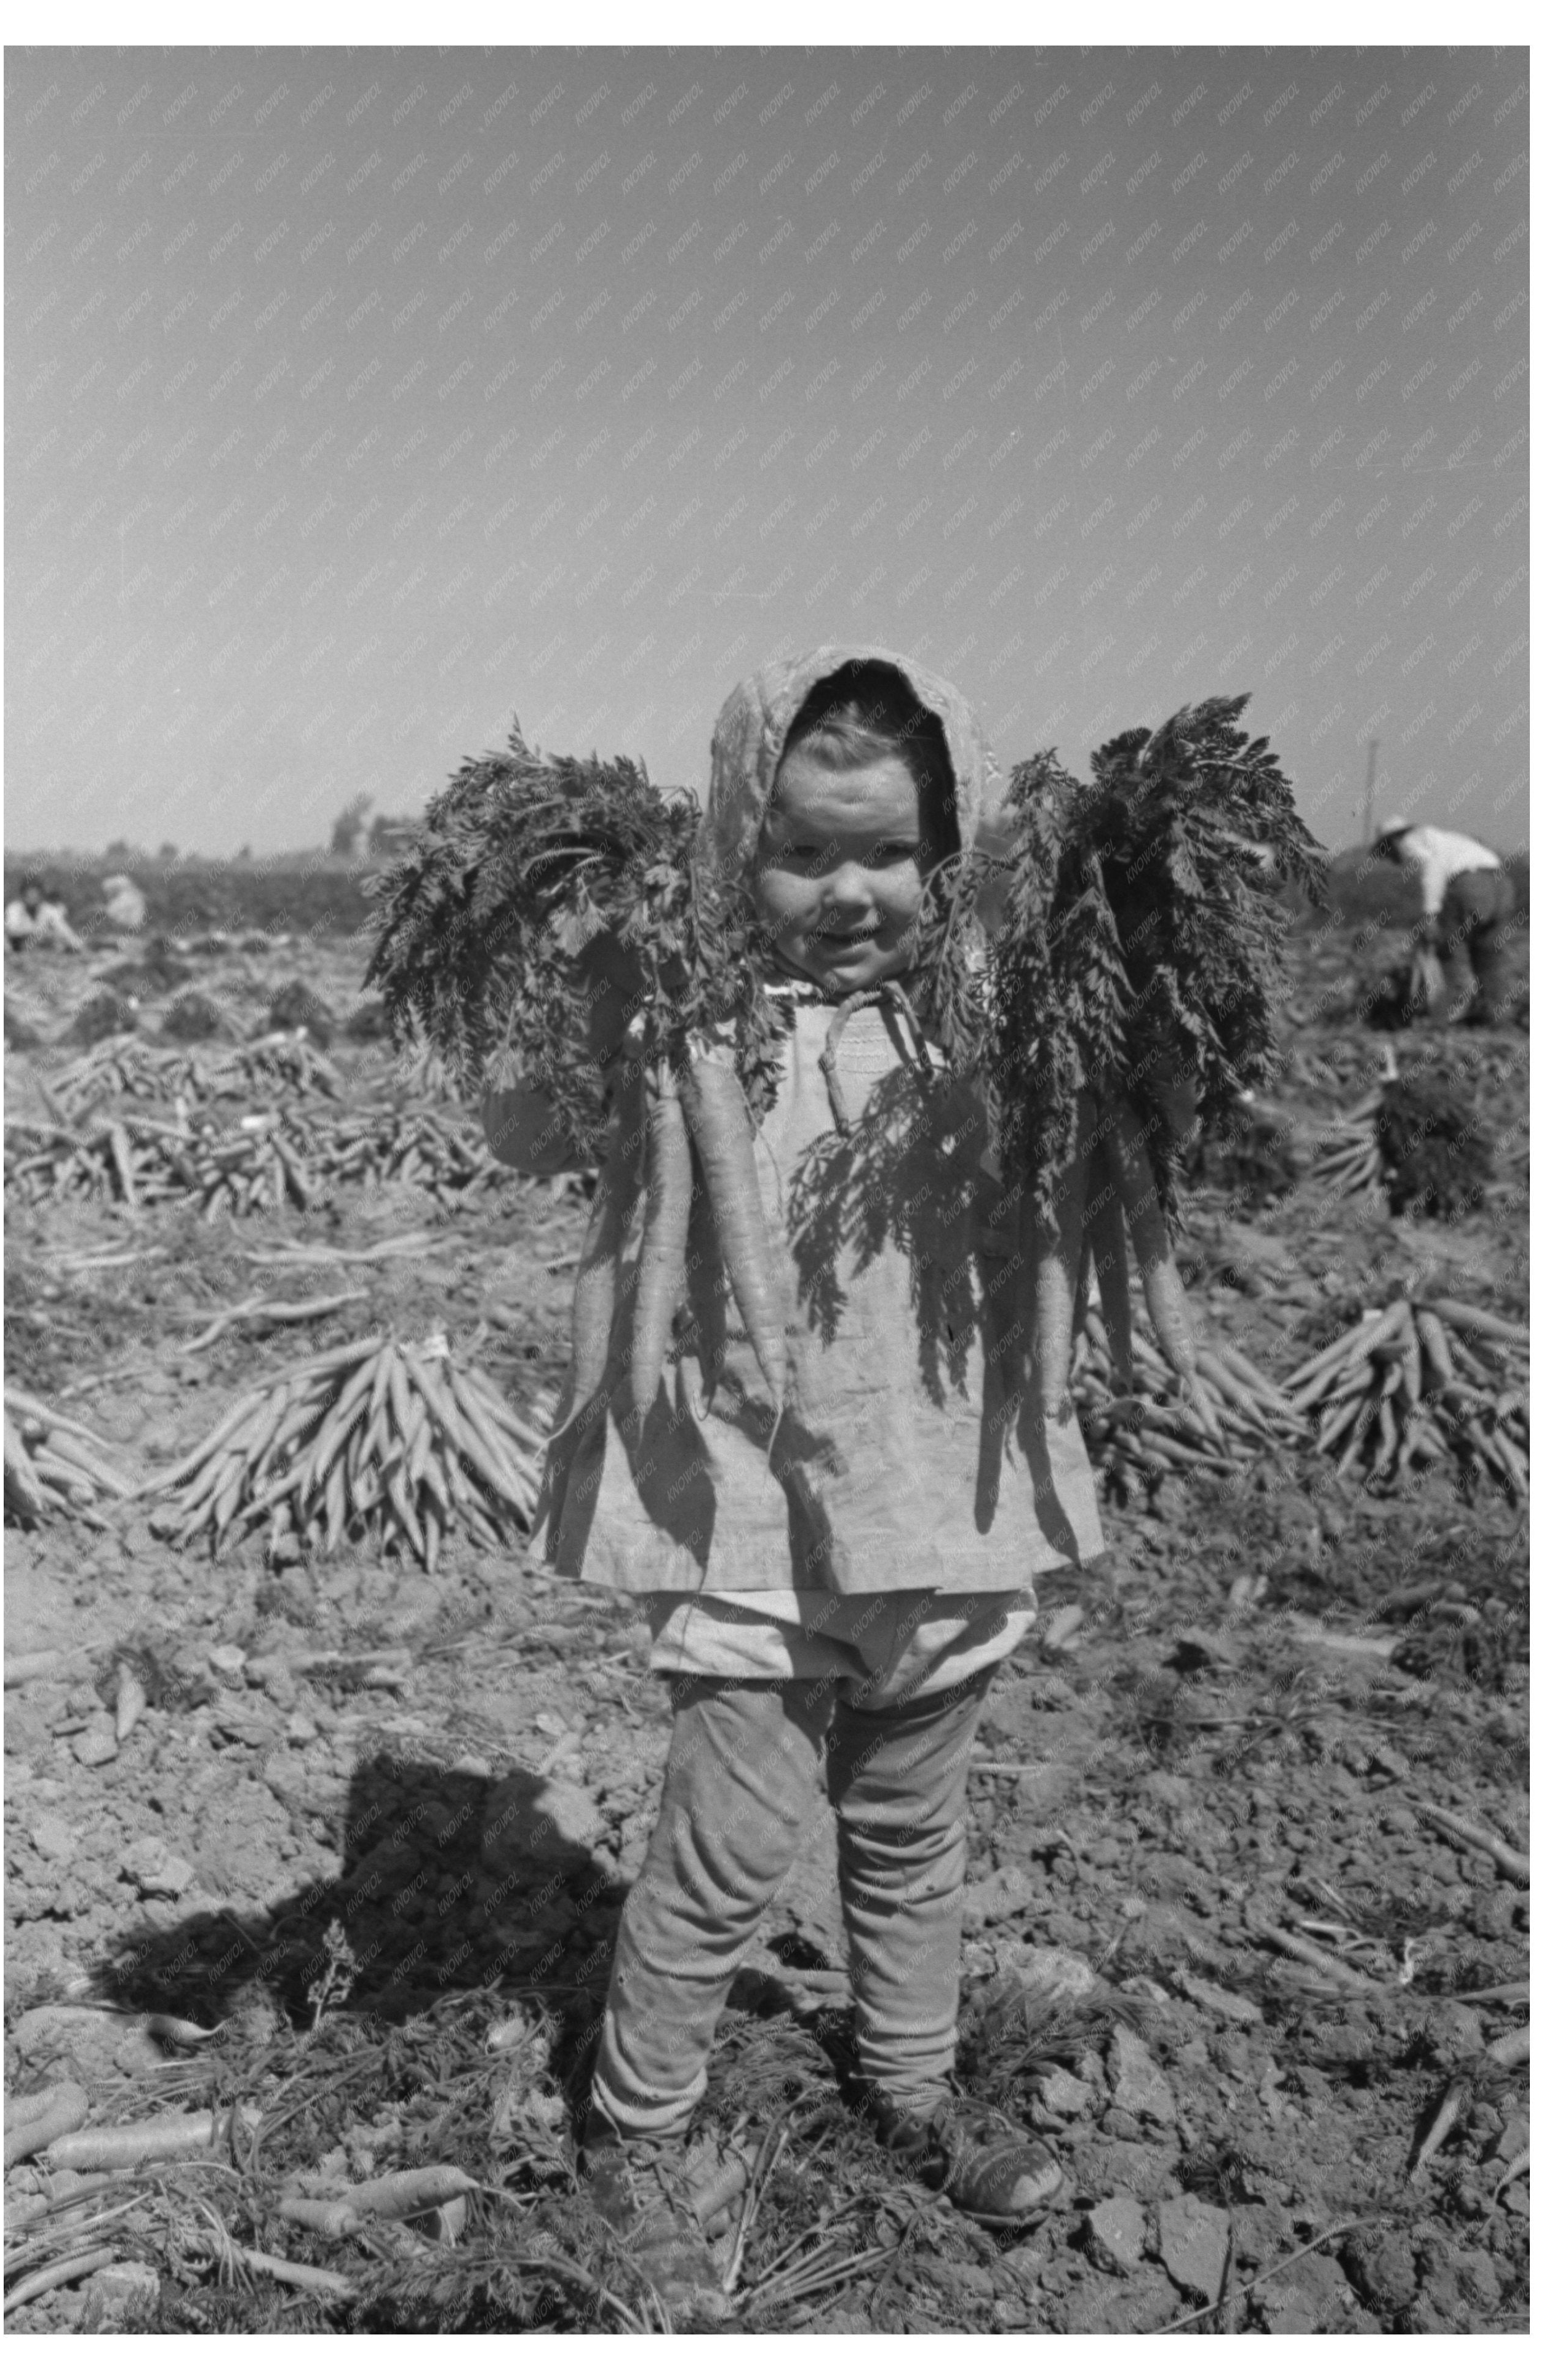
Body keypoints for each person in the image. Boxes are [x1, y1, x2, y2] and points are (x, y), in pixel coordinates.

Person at [481, 647, 1110, 2318]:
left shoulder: (995, 1008)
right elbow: (524, 1130)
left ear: (949, 846)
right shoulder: (684, 1010)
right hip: (748, 1503)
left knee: (910, 1830)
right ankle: (636, 2129)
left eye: (892, 853)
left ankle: (908, 2086)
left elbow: (1113, 1145)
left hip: (936, 1490)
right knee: (727, 1844)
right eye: (807, 853)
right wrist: (558, 980)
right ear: (725, 849)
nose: (852, 892)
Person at [1372, 814, 1516, 1024]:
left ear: (1392, 842)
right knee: (1490, 955)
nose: (1392, 859)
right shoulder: (1445, 839)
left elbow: (1433, 871)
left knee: (1450, 949)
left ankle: (1445, 1018)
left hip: (1470, 885)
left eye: (1388, 852)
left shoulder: (1413, 842)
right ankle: (1498, 1017)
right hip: (1501, 887)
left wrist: (1430, 915)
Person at [5, 878, 84, 953]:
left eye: (35, 896)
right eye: (29, 896)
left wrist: (77, 945)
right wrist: (38, 934)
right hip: (17, 946)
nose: (32, 899)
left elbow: (64, 930)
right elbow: (12, 930)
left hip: (42, 947)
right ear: (23, 896)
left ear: (41, 896)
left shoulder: (49, 910)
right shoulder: (14, 909)